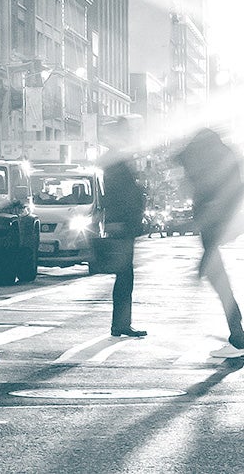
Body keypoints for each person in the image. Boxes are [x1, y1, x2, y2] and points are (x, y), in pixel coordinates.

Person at [173, 126, 244, 358]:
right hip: (218, 223)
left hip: (212, 225)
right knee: (220, 281)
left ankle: (238, 339)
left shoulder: (207, 161)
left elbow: (183, 163)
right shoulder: (223, 156)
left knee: (220, 282)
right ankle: (238, 335)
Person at [100, 116, 148, 338]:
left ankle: (121, 324)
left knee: (124, 274)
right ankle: (120, 324)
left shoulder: (118, 159)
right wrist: (117, 221)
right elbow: (116, 195)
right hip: (122, 224)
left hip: (123, 223)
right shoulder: (115, 161)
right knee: (124, 274)